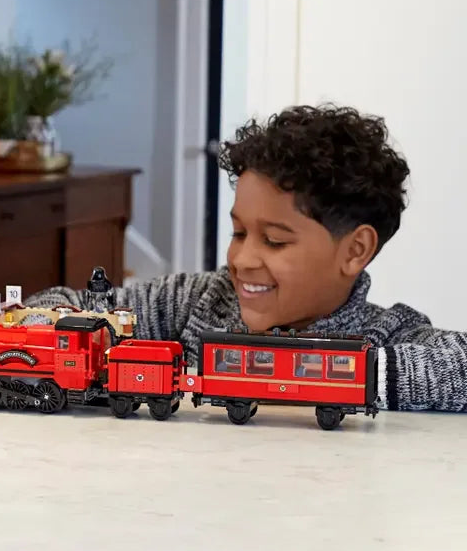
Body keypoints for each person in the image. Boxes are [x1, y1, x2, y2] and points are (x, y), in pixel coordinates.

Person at [23, 104, 467, 413]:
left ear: (355, 250)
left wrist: (351, 375)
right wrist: (51, 327)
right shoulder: (199, 300)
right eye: (238, 233)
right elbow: (66, 305)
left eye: (274, 241)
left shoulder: (387, 334)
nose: (242, 258)